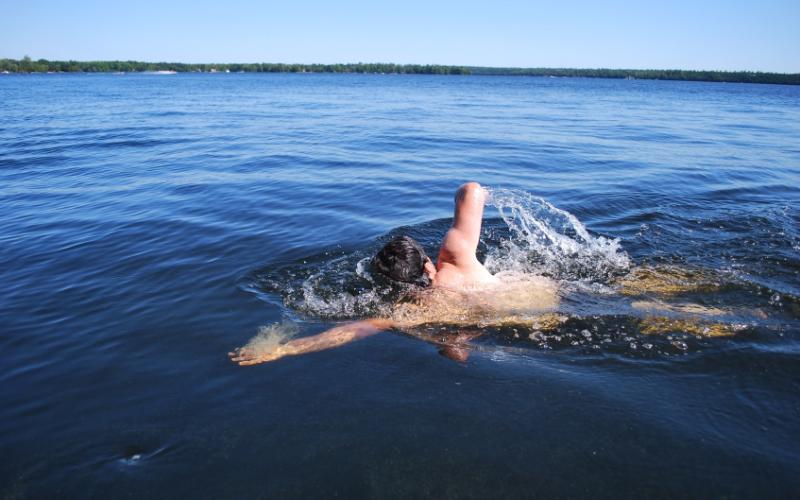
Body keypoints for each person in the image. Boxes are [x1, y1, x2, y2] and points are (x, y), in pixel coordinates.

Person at [229, 182, 560, 365]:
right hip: (544, 292)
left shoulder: (412, 311)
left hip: (532, 321)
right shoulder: (457, 256)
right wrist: (486, 195)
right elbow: (471, 190)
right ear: (428, 262)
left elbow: (349, 332)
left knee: (452, 346)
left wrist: (285, 349)